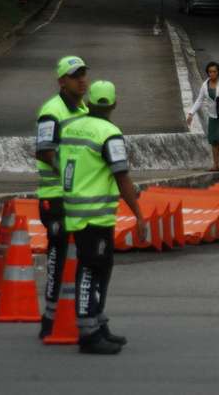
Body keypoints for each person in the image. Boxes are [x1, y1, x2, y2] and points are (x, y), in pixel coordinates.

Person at [59, 80, 142, 354]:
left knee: (100, 266)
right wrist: (139, 215)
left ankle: (98, 321)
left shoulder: (71, 128)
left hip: (75, 208)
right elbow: (121, 175)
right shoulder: (109, 133)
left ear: (89, 102)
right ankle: (88, 332)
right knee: (91, 269)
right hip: (95, 213)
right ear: (115, 103)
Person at [35, 56, 90, 340]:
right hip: (55, 196)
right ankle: (50, 317)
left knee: (79, 257)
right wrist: (71, 176)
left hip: (75, 198)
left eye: (83, 74)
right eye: (74, 75)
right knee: (57, 256)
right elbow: (45, 150)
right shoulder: (52, 110)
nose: (81, 79)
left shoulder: (82, 108)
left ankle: (75, 316)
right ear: (61, 81)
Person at [186, 61, 219, 171]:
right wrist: (191, 113)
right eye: (210, 72)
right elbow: (199, 100)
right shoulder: (205, 85)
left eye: (214, 71)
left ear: (218, 72)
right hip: (212, 116)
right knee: (213, 140)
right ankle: (215, 165)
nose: (212, 74)